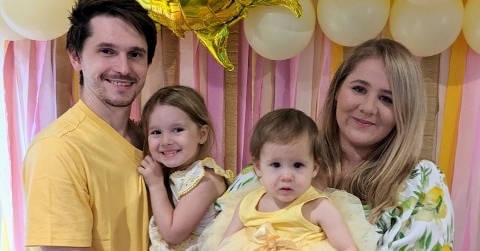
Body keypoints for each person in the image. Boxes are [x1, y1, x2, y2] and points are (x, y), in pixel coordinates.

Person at [209, 38, 454, 250]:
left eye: (386, 99)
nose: (368, 108)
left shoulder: (420, 182)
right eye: (359, 89)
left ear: (405, 112)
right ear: (336, 91)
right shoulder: (281, 155)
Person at [22, 0, 157, 251]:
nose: (123, 68)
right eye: (107, 51)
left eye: (135, 54)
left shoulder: (153, 141)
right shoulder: (58, 150)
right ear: (75, 57)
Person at [218, 108, 378, 251]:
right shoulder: (247, 204)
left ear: (314, 168)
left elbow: (347, 247)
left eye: (298, 165)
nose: (287, 176)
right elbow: (225, 243)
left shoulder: (319, 207)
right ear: (258, 167)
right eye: (275, 164)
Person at [138, 85, 234, 250]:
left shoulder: (205, 180)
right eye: (156, 132)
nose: (166, 141)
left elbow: (173, 234)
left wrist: (155, 185)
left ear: (201, 135)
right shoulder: (180, 174)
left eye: (177, 130)